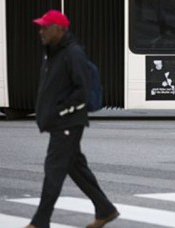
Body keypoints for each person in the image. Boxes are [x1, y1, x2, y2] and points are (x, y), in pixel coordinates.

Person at [26, 10, 119, 228]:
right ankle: (105, 209)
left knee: (53, 171)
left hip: (67, 123)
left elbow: (82, 90)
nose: (41, 31)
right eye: (40, 27)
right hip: (61, 122)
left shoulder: (72, 54)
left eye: (45, 27)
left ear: (58, 29)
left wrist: (60, 111)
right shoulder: (54, 52)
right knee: (76, 168)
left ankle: (40, 222)